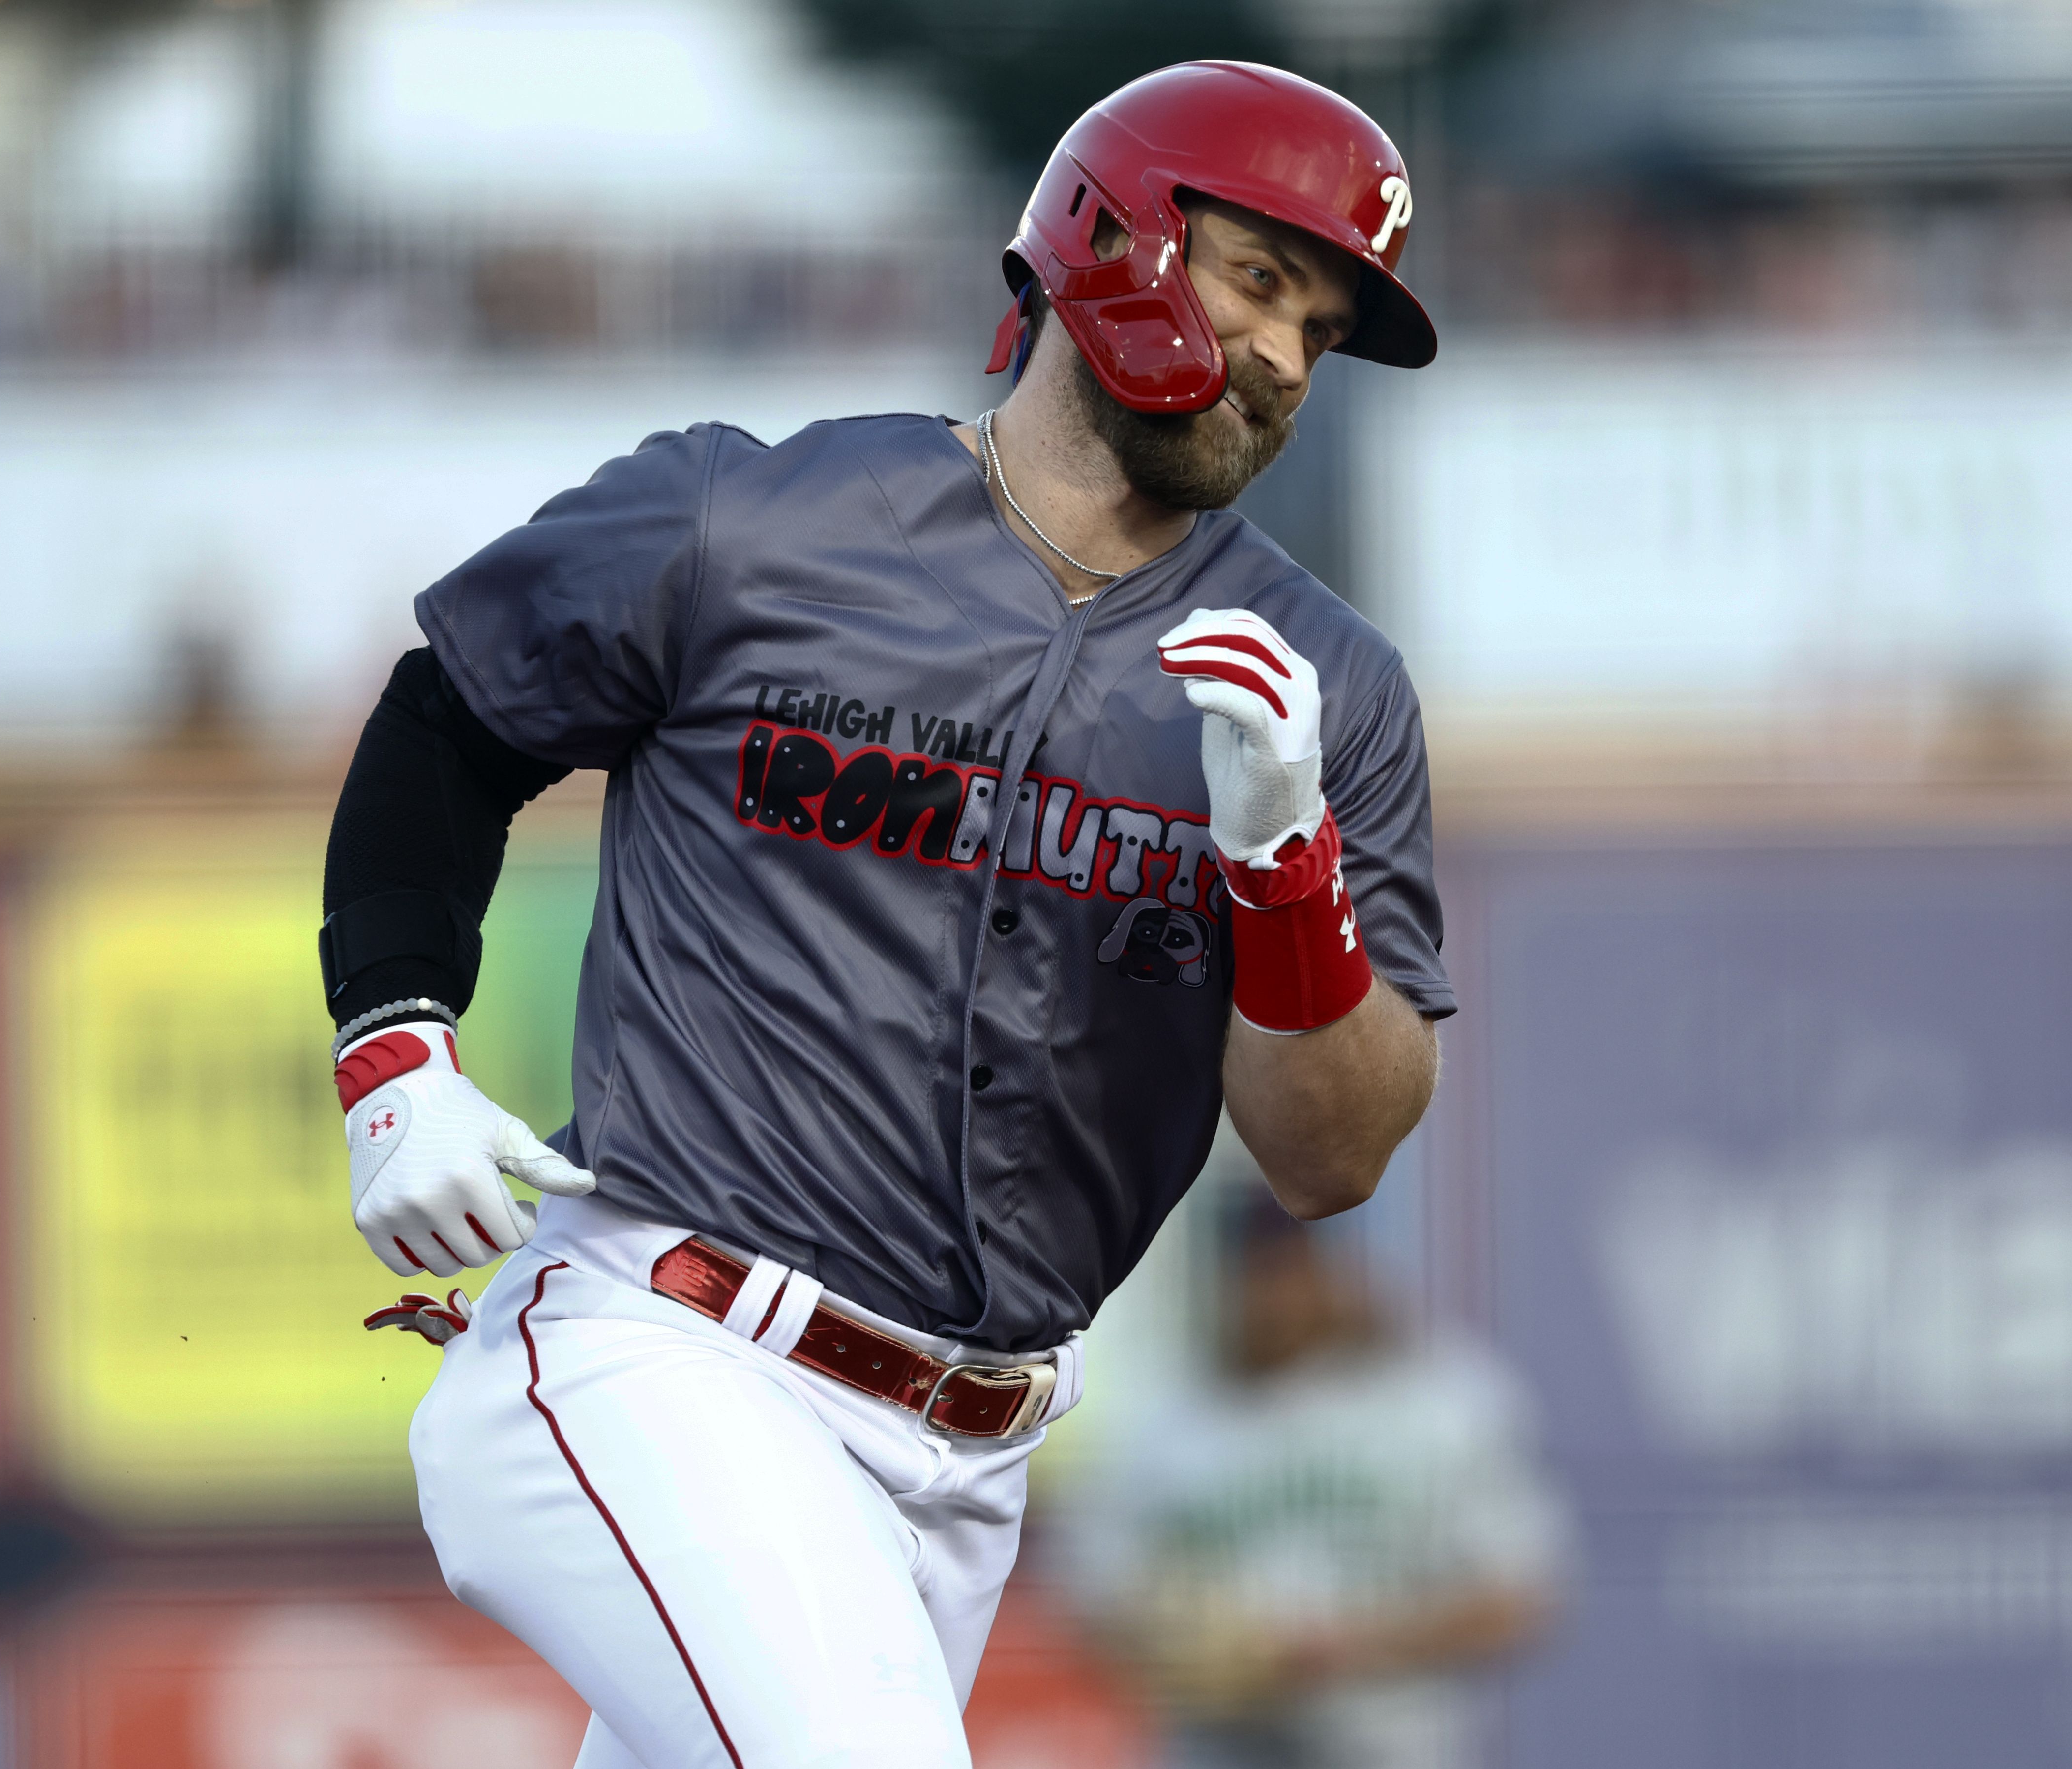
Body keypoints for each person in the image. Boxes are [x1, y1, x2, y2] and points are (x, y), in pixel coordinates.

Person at [318, 61, 1452, 1769]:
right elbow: (447, 724)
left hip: (966, 1461)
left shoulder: (1330, 692)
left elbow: (1330, 1155)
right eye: (1260, 281)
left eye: (1327, 324)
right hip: (665, 1346)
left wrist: (1288, 875)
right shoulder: (751, 519)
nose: (1292, 356)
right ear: (1112, 234)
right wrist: (394, 1047)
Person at [1061, 1191, 1568, 1769]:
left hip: (1393, 1745)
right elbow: (1094, 1599)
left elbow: (1520, 1599)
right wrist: (1185, 1643)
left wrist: (1349, 1648)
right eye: (1257, 1274)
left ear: (1337, 1269)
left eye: (1292, 1270)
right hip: (1220, 1749)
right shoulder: (1161, 1417)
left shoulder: (1439, 1398)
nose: (1274, 1298)